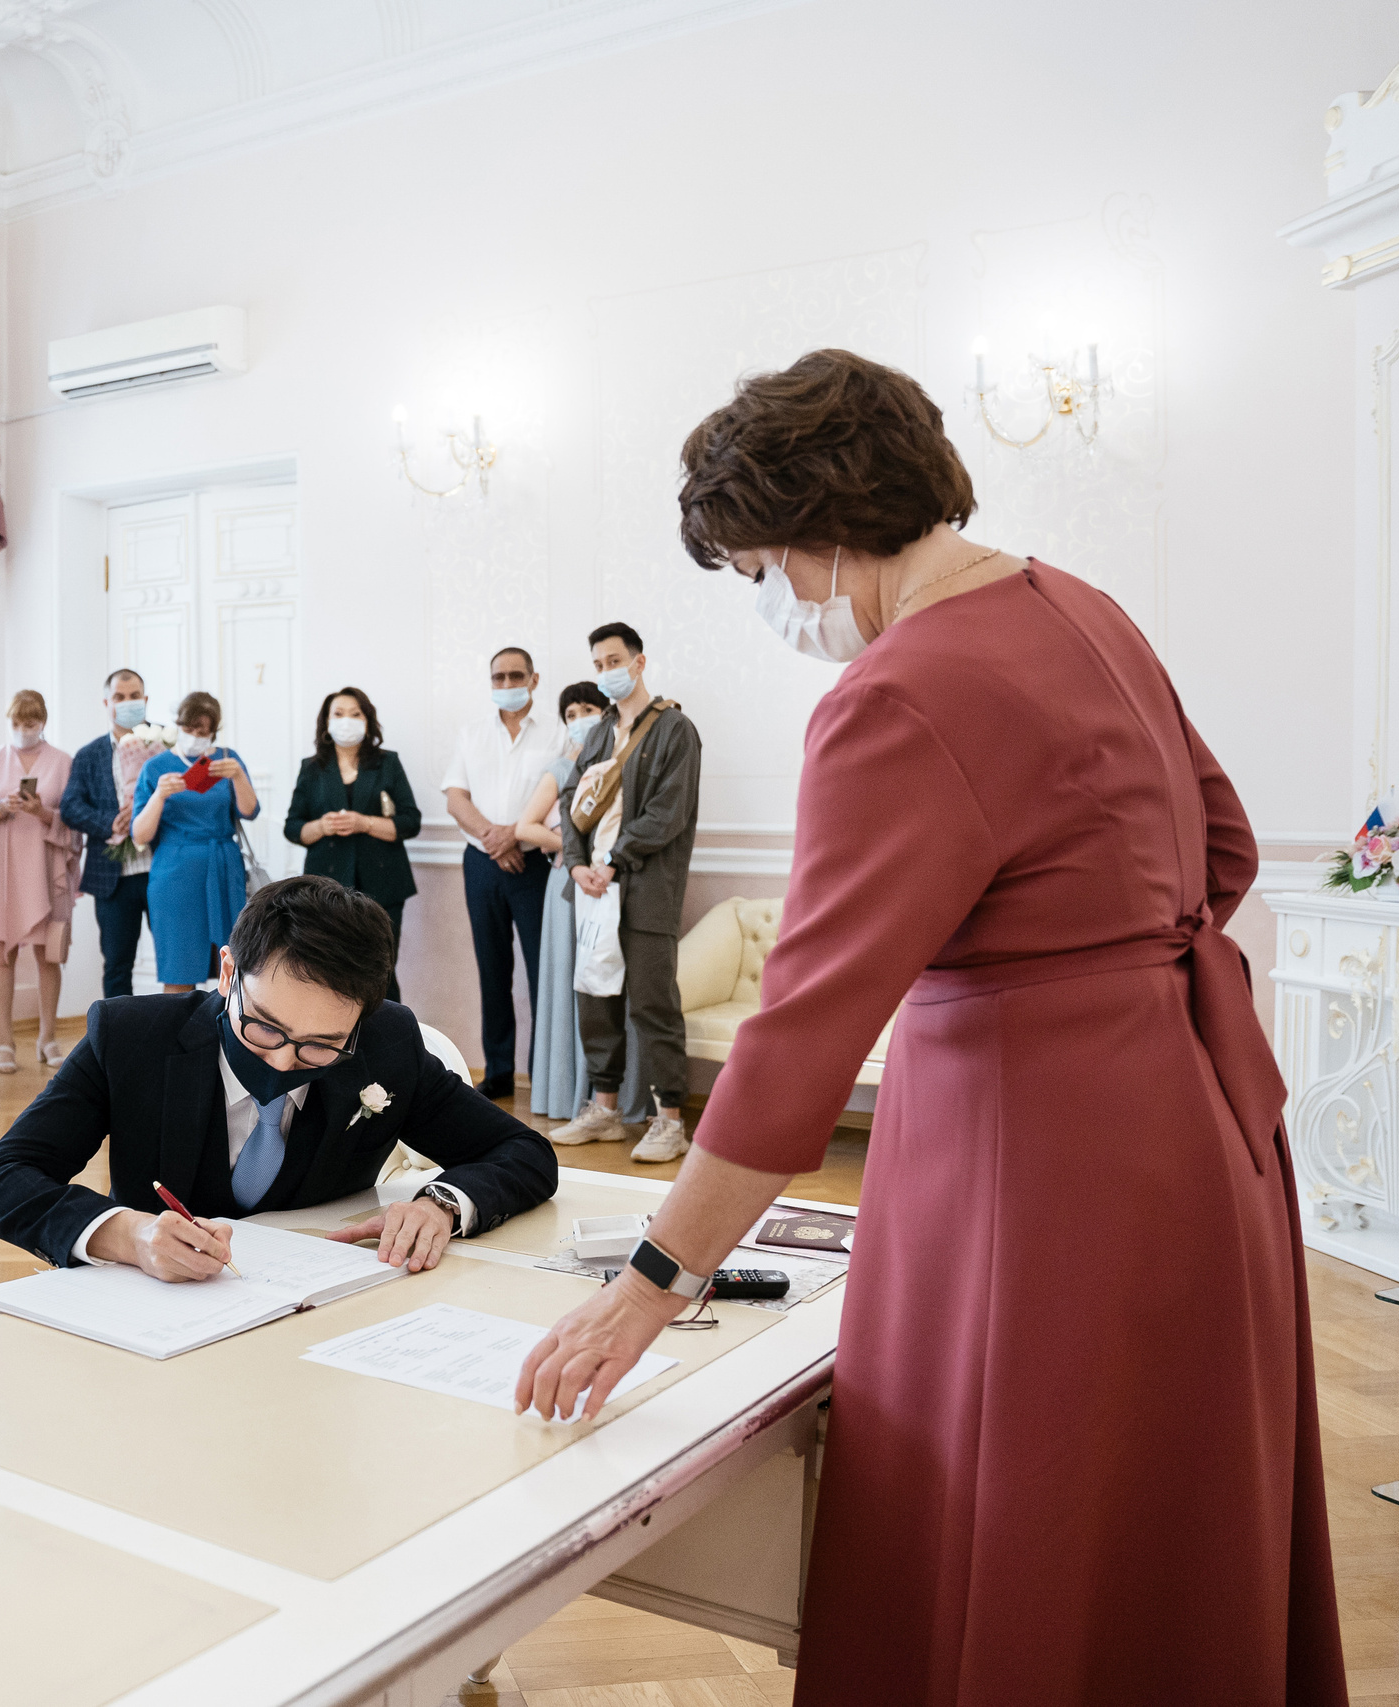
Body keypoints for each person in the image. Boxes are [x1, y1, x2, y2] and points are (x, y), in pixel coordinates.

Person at [513, 350, 1344, 1706]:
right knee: (1163, 1519)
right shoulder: (1086, 608)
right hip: (1201, 1126)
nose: (770, 603)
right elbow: (1229, 849)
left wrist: (653, 1279)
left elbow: (799, 1039)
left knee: (1014, 1501)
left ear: (816, 534)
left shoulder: (898, 692)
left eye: (757, 570)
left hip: (1036, 1166)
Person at [0, 875, 557, 1278]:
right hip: (161, 1316)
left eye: (321, 1045)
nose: (280, 1060)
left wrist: (442, 1206)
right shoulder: (131, 1039)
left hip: (327, 1310)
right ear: (228, 974)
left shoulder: (386, 1045)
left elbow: (523, 1151)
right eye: (265, 1027)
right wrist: (130, 1236)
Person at [547, 622, 700, 1162]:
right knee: (596, 1000)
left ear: (638, 662)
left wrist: (612, 859)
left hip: (645, 888)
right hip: (593, 888)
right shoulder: (597, 733)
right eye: (598, 664)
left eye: (614, 660)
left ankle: (670, 1121)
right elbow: (569, 803)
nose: (607, 671)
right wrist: (575, 863)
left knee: (654, 1002)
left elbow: (668, 812)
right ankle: (605, 1110)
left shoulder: (674, 729)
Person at [517, 682, 654, 1126]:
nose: (581, 717)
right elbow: (526, 827)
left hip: (617, 882)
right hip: (568, 885)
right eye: (572, 711)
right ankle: (569, 1097)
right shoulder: (559, 768)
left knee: (614, 984)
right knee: (571, 984)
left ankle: (616, 1099)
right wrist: (573, 847)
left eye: (588, 708)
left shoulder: (629, 762)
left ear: (607, 711)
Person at [440, 646, 565, 1099]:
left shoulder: (559, 731)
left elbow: (561, 796)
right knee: (492, 970)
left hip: (534, 863)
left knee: (540, 971)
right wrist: (496, 839)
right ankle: (497, 1070)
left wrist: (515, 837)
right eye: (499, 678)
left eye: (517, 676)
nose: (507, 685)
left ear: (534, 679)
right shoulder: (472, 733)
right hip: (482, 864)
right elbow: (456, 798)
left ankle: (544, 1074)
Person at [283, 687, 421, 999]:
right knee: (329, 972)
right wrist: (321, 826)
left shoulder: (388, 763)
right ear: (326, 723)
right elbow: (293, 828)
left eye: (356, 714)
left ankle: (387, 1038)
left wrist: (366, 823)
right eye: (339, 714)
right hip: (325, 888)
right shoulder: (312, 767)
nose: (347, 721)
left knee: (380, 972)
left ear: (368, 721)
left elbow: (411, 821)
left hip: (384, 884)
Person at [0, 690, 81, 1074]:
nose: (23, 730)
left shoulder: (63, 762)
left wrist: (42, 811)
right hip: (4, 869)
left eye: (30, 723)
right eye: (17, 723)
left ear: (43, 722)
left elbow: (73, 817)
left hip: (46, 867)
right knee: (3, 956)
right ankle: (5, 1042)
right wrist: (2, 807)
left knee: (48, 956)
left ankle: (47, 1036)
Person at [132, 691, 259, 993]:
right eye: (189, 729)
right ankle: (176, 1037)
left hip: (224, 866)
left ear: (215, 730)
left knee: (235, 964)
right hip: (175, 874)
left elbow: (250, 811)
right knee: (179, 965)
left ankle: (229, 1037)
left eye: (204, 731)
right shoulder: (156, 767)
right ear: (178, 726)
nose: (196, 736)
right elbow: (139, 834)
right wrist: (159, 796)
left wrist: (239, 777)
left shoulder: (228, 760)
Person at [59, 669, 161, 1001]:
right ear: (107, 703)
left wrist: (153, 809)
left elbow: (187, 800)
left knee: (174, 962)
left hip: (162, 869)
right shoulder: (89, 755)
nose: (127, 703)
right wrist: (109, 822)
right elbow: (70, 807)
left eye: (134, 696)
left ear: (145, 701)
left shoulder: (163, 746)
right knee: (117, 965)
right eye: (119, 697)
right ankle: (120, 1045)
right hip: (112, 878)